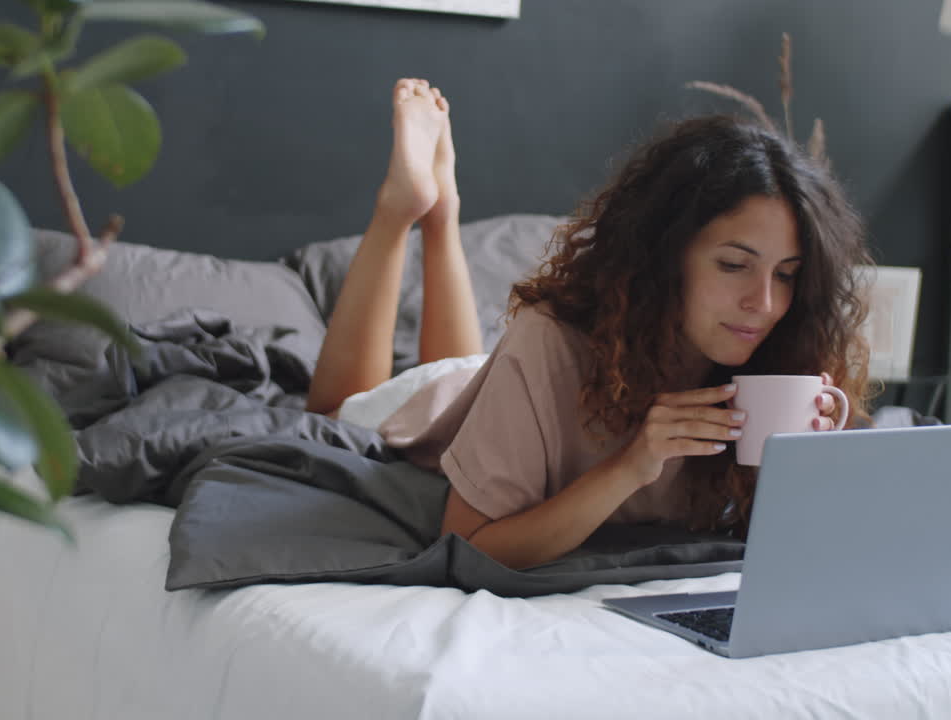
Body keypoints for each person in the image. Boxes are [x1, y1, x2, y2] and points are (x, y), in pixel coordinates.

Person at [307, 78, 873, 570]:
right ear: (664, 253)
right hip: (430, 407)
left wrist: (809, 469)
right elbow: (469, 543)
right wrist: (631, 467)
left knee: (466, 363)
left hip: (493, 385)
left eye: (789, 275)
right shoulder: (549, 339)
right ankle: (408, 209)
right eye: (733, 265)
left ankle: (443, 214)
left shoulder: (787, 355)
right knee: (341, 409)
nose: (767, 304)